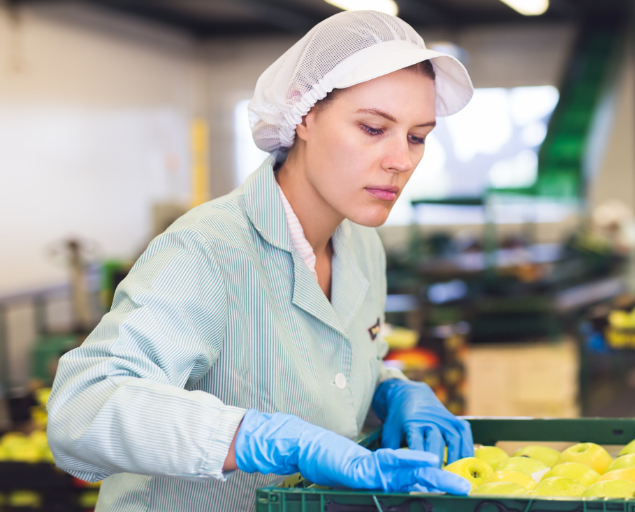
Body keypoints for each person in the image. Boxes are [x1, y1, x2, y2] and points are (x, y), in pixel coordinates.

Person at [47, 11, 477, 511]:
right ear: (304, 115)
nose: (400, 160)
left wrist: (390, 391)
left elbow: (336, 364)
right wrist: (257, 436)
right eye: (373, 127)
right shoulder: (208, 249)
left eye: (417, 136)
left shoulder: (361, 244)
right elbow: (83, 408)